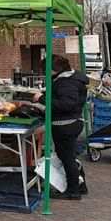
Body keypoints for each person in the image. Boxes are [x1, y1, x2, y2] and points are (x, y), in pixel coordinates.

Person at [34, 55, 89, 200]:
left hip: (65, 124)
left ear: (55, 69)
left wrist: (41, 99)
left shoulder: (66, 82)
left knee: (67, 157)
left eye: (46, 70)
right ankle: (80, 185)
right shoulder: (70, 79)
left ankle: (73, 190)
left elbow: (66, 104)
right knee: (68, 155)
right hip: (70, 122)